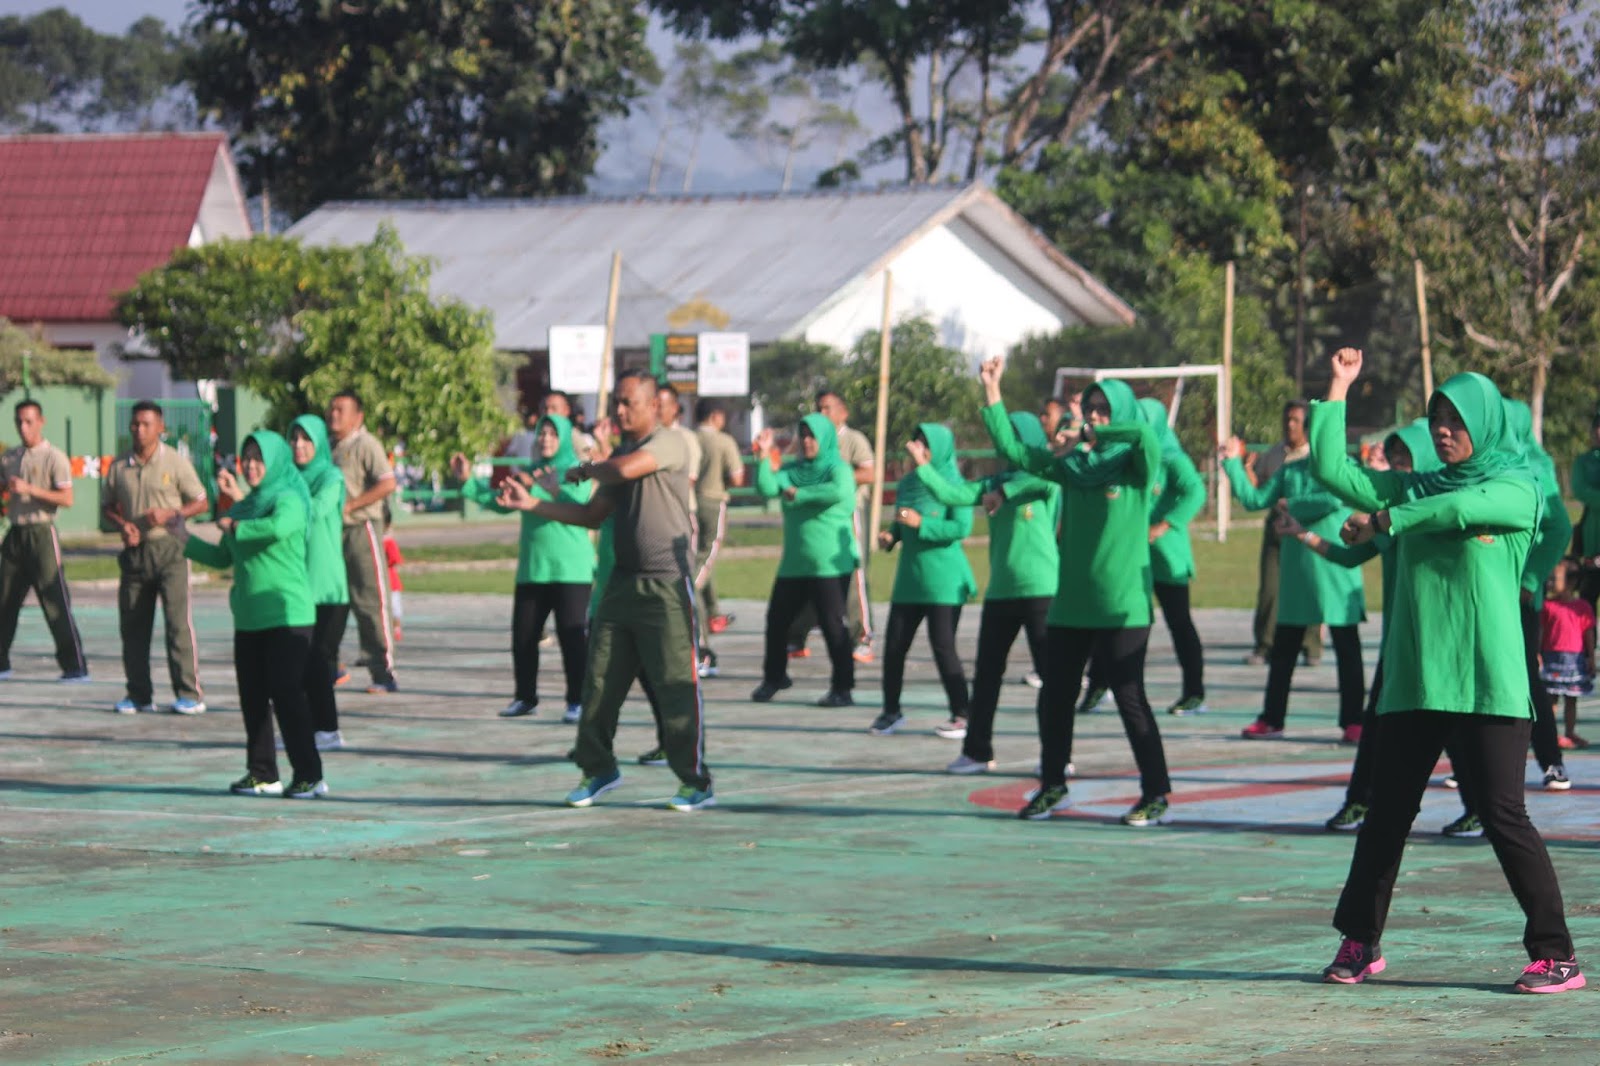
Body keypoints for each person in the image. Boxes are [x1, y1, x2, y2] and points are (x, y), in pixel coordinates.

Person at [1310, 347, 1583, 994]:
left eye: (1456, 420)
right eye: (1436, 419)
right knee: (1386, 815)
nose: (1442, 430)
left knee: (1503, 815)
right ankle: (1361, 941)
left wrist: (1387, 520)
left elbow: (1460, 511)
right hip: (1417, 680)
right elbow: (1331, 469)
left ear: (1483, 425)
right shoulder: (1415, 486)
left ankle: (1556, 955)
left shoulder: (1516, 488)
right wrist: (1339, 386)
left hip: (1489, 684)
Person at [498, 369, 713, 812]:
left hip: (666, 585)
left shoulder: (669, 443)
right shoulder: (621, 456)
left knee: (676, 684)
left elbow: (624, 469)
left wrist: (585, 469)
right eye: (617, 401)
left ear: (653, 406)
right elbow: (593, 515)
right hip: (621, 584)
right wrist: (533, 503)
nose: (619, 410)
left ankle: (695, 782)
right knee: (598, 682)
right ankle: (598, 769)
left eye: (628, 402)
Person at [980, 358, 1173, 827]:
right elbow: (1013, 449)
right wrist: (992, 389)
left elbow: (1143, 436)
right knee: (1055, 698)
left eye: (1104, 409)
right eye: (1091, 409)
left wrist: (1091, 433)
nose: (1096, 415)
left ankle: (1156, 793)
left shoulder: (1135, 467)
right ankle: (1052, 785)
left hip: (1122, 605)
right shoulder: (1071, 468)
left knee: (1130, 699)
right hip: (1070, 604)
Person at [1278, 418, 1439, 833]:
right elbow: (1350, 555)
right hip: (1399, 642)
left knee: (1456, 732)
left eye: (1406, 457)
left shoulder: (1442, 510)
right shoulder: (1388, 517)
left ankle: (1480, 807)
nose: (1398, 464)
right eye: (1394, 455)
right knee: (1377, 727)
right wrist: (1302, 534)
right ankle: (1358, 801)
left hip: (1439, 642)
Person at [905, 411, 1059, 770]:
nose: (1007, 446)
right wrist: (923, 466)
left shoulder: (1048, 475)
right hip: (1001, 591)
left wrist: (1005, 492)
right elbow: (952, 494)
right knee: (987, 675)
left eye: (1015, 437)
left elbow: (1042, 483)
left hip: (1041, 590)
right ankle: (976, 751)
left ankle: (1056, 757)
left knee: (1052, 679)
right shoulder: (993, 482)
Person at [183, 431, 325, 799]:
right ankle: (262, 773)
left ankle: (310, 775)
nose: (250, 465)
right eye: (245, 458)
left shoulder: (288, 498)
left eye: (258, 458)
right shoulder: (244, 506)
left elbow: (278, 528)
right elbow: (222, 556)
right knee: (253, 697)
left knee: (287, 694)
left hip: (288, 615)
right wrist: (182, 539)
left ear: (275, 461)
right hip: (248, 617)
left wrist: (236, 526)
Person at [1221, 412, 1366, 742]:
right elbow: (1255, 499)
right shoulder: (1291, 469)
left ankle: (1354, 721)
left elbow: (1334, 498)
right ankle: (1272, 719)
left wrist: (1291, 504)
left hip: (1335, 567)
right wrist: (1231, 463)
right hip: (1297, 570)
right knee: (1284, 649)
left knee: (1347, 648)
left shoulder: (1346, 467)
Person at [451, 414, 594, 722]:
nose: (545, 439)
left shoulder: (577, 470)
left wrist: (550, 490)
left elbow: (583, 507)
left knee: (572, 638)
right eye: (541, 433)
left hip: (571, 568)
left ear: (564, 438)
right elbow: (500, 500)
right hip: (534, 567)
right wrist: (468, 481)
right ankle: (525, 697)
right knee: (524, 636)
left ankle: (577, 701)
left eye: (552, 434)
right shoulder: (529, 472)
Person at [1086, 398, 1209, 716]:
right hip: (1132, 555)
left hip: (1166, 556)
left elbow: (1196, 491)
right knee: (1111, 617)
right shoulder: (1128, 456)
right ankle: (1098, 685)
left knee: (1179, 622)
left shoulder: (1171, 456)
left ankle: (1194, 692)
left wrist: (1164, 525)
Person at [102, 400, 209, 715]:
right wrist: (122, 525)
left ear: (161, 428)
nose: (139, 429)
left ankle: (189, 693)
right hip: (135, 554)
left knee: (177, 624)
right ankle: (138, 694)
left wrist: (171, 514)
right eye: (135, 424)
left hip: (170, 550)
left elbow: (201, 501)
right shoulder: (119, 466)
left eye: (146, 424)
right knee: (133, 627)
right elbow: (107, 507)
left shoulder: (175, 462)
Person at [870, 423, 976, 736]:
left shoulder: (954, 484)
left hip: (943, 581)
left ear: (940, 449)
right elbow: (902, 521)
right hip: (910, 581)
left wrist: (922, 525)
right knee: (894, 647)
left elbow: (960, 528)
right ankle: (891, 711)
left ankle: (963, 713)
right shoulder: (908, 484)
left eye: (926, 444)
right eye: (916, 442)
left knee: (943, 647)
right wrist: (892, 535)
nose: (918, 449)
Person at [749, 414, 859, 707]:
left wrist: (799, 495)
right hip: (794, 564)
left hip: (829, 565)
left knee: (833, 626)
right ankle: (774, 677)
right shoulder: (792, 470)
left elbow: (838, 492)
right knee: (776, 621)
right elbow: (766, 488)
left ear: (825, 438)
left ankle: (842, 687)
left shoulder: (839, 469)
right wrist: (763, 456)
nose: (807, 441)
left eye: (813, 436)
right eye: (804, 435)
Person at [0, 400, 88, 681]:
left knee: (55, 601)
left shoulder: (54, 457)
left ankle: (74, 666)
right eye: (19, 422)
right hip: (15, 533)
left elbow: (66, 498)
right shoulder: (9, 458)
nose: (23, 427)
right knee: (4, 600)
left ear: (41, 422)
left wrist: (30, 489)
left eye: (29, 421)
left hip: (42, 533)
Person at [788, 389, 876, 661]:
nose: (822, 414)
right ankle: (796, 635)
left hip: (846, 514)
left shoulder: (852, 439)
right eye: (819, 408)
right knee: (811, 574)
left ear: (842, 412)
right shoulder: (809, 441)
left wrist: (836, 480)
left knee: (852, 574)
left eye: (827, 408)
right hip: (815, 517)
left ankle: (862, 636)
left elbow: (869, 473)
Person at [324, 390, 399, 694]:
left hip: (360, 528)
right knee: (331, 600)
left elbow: (388, 482)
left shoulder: (365, 444)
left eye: (341, 410)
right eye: (331, 409)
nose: (334, 415)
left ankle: (382, 672)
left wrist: (353, 505)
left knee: (369, 600)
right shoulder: (327, 447)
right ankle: (330, 666)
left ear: (358, 417)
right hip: (331, 534)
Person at [1241, 404, 1323, 666]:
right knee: (1270, 589)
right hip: (1277, 527)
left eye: (1296, 420)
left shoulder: (1316, 456)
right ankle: (1265, 645)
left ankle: (1311, 646)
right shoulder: (1274, 454)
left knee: (1308, 586)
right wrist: (1244, 469)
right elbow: (1260, 493)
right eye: (1287, 419)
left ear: (1306, 425)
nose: (1290, 425)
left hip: (1306, 528)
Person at [288, 414, 348, 751]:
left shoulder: (331, 477)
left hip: (328, 589)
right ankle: (306, 730)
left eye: (306, 439)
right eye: (294, 438)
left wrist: (281, 503)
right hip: (296, 587)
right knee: (296, 663)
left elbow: (315, 510)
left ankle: (328, 730)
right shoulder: (287, 479)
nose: (298, 445)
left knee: (319, 660)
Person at [694, 398, 746, 670]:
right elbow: (737, 477)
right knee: (703, 563)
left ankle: (713, 611)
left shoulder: (689, 439)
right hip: (714, 502)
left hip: (689, 504)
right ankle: (701, 641)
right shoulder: (723, 441)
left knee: (698, 558)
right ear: (716, 416)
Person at [1541, 558, 1593, 750]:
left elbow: (1588, 633)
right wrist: (1538, 653)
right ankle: (1552, 734)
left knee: (1572, 699)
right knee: (1552, 698)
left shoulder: (1583, 607)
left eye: (1555, 579)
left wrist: (1590, 657)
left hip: (1575, 659)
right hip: (1552, 658)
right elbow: (1541, 631)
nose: (1550, 582)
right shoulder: (1548, 606)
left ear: (1571, 582)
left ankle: (1570, 732)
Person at [383, 514, 404, 642]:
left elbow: (395, 559)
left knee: (395, 609)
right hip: (380, 583)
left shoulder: (388, 542)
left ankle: (396, 629)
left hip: (391, 582)